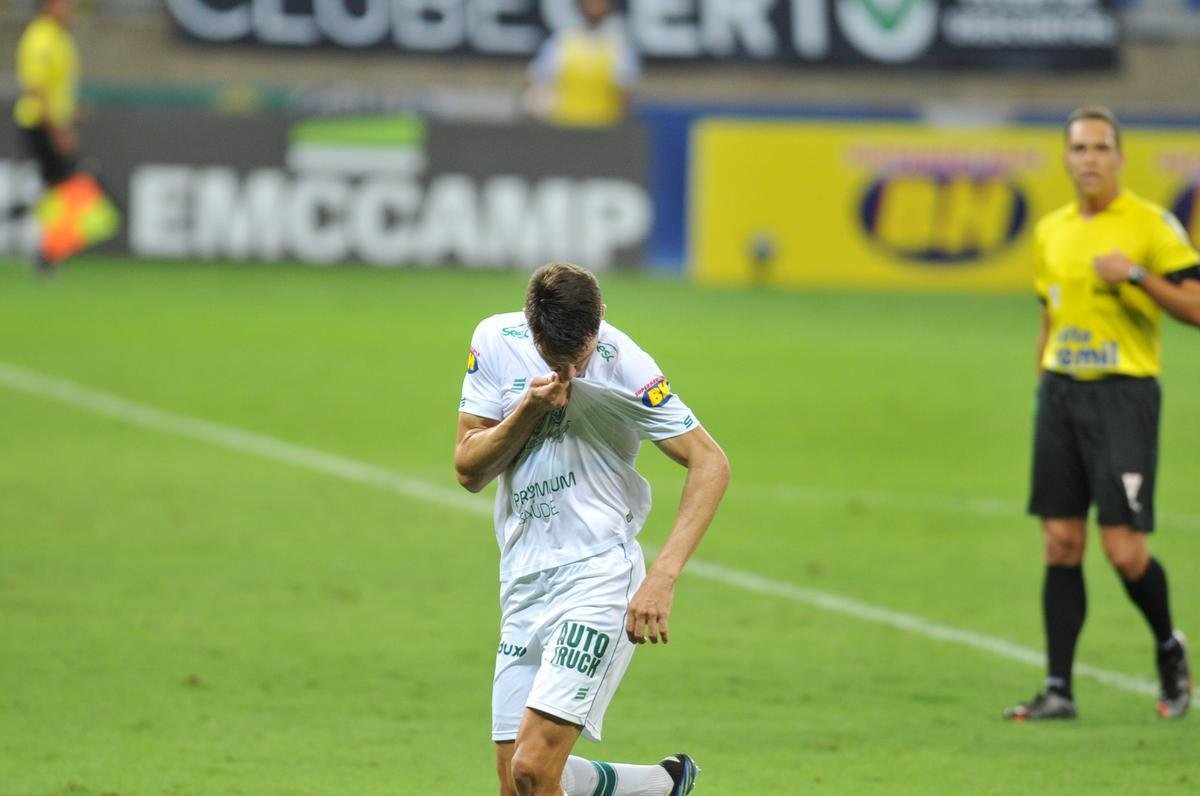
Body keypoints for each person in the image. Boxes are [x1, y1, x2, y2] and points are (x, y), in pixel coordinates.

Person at [455, 262, 729, 795]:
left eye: (581, 357)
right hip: (523, 578)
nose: (573, 375)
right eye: (559, 361)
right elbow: (468, 470)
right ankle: (656, 786)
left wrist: (664, 576)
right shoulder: (494, 339)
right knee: (518, 784)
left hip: (599, 575)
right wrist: (528, 410)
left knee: (534, 769)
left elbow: (710, 462)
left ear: (601, 319)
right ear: (531, 331)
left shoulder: (627, 366)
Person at [1004, 106, 1199, 722]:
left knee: (1124, 551)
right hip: (1061, 395)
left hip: (1123, 396)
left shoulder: (1150, 225)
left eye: (1100, 147)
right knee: (1061, 543)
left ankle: (1169, 646)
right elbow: (1049, 315)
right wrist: (1041, 391)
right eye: (1079, 147)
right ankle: (1059, 688)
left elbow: (1195, 305)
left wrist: (1137, 274)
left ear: (1119, 157)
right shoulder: (1051, 230)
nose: (1089, 158)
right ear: (1065, 158)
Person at [13, 0, 79, 275]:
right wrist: (58, 131)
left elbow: (57, 87)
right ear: (48, 5)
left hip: (52, 123)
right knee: (59, 188)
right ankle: (40, 248)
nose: (70, 8)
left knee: (55, 187)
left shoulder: (59, 37)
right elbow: (36, 91)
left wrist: (73, 113)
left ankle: (44, 251)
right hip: (39, 124)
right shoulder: (41, 38)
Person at [524, 0, 641, 127]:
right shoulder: (562, 42)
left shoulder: (619, 45)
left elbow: (625, 93)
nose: (595, 6)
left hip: (605, 130)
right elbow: (536, 82)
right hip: (564, 128)